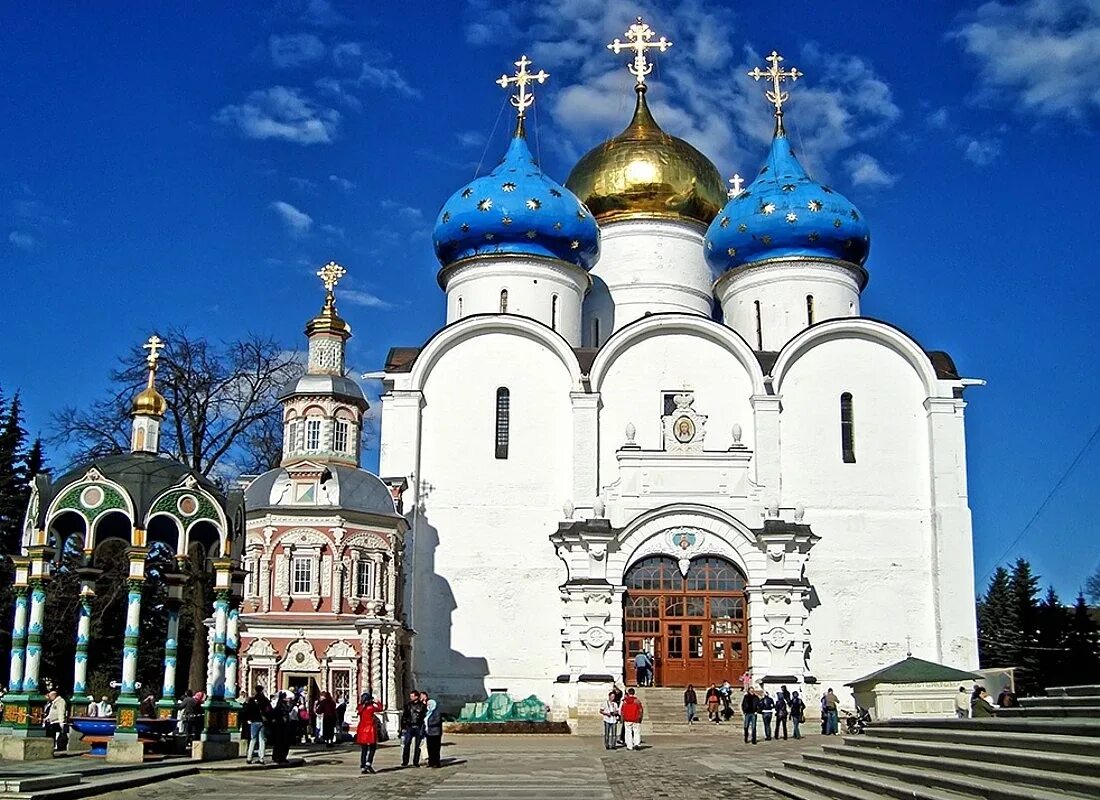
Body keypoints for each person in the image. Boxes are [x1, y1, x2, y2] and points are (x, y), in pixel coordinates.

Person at [355, 691, 385, 774]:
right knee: (372, 747)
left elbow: (358, 710)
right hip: (370, 729)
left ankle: (363, 765)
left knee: (364, 749)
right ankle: (368, 763)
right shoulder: (371, 707)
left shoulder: (361, 707)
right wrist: (376, 701)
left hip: (362, 729)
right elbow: (380, 708)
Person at [243, 685, 271, 764]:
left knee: (253, 740)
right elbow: (269, 710)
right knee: (262, 740)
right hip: (262, 722)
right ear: (262, 690)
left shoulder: (252, 700)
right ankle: (261, 758)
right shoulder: (265, 700)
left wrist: (248, 719)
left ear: (255, 690)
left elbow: (247, 710)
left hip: (254, 721)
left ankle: (249, 757)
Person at [399, 690, 426, 767]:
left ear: (416, 697)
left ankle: (416, 762)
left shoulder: (422, 706)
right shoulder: (408, 705)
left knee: (417, 746)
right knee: (406, 744)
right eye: (410, 696)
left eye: (412, 696)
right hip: (409, 726)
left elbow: (424, 717)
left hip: (418, 726)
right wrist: (403, 727)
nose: (411, 698)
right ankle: (405, 761)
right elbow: (404, 717)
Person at [270, 692, 293, 764]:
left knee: (279, 743)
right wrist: (292, 704)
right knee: (282, 743)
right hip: (282, 726)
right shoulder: (282, 705)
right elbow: (288, 710)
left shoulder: (279, 705)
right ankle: (281, 757)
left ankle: (278, 756)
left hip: (280, 726)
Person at [423, 694, 443, 768]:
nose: (428, 705)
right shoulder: (428, 712)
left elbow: (437, 721)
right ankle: (430, 762)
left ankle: (436, 762)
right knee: (430, 748)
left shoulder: (437, 712)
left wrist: (427, 723)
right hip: (428, 733)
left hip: (435, 733)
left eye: (429, 704)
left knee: (435, 748)